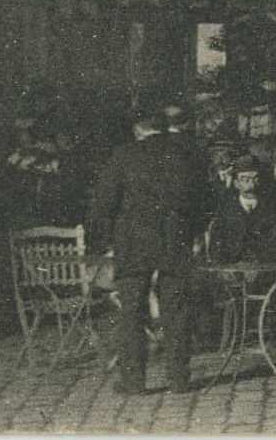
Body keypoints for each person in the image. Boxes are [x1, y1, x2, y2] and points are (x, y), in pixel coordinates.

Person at [88, 106, 216, 395]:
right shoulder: (188, 153)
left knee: (131, 312)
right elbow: (206, 200)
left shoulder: (123, 155)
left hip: (132, 244)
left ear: (137, 130)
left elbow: (104, 203)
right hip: (175, 241)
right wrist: (193, 232)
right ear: (164, 126)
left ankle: (134, 383)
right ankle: (179, 379)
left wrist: (106, 242)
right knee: (177, 310)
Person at [208, 159, 276, 263]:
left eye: (256, 179)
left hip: (263, 267)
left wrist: (260, 262)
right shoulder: (226, 209)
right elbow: (216, 242)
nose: (252, 184)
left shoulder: (272, 209)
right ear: (236, 183)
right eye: (245, 179)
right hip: (230, 266)